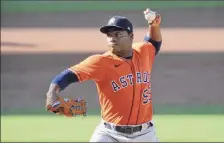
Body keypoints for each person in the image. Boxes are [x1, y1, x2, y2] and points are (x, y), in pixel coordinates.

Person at [46, 8, 162, 142]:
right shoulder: (100, 62)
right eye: (109, 35)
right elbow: (68, 75)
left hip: (145, 134)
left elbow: (154, 43)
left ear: (131, 36)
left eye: (118, 34)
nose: (113, 38)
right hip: (109, 134)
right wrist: (51, 92)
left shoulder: (143, 52)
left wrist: (153, 25)